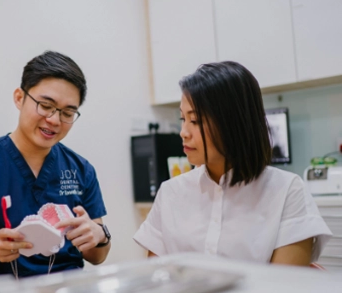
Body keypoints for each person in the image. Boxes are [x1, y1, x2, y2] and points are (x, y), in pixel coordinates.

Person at [133, 61, 331, 266]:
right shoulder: (170, 193)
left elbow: (284, 288)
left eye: (195, 121)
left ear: (232, 123)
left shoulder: (287, 191)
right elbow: (158, 278)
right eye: (183, 119)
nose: (183, 132)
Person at [0, 50, 111, 281]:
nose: (54, 120)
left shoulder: (82, 170)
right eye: (45, 105)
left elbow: (97, 256)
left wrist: (99, 236)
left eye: (67, 112)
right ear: (20, 98)